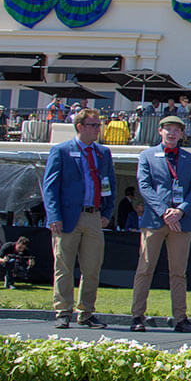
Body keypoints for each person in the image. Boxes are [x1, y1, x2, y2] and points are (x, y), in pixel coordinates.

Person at [41, 107, 116, 329]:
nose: (97, 130)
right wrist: (53, 216)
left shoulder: (103, 152)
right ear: (80, 126)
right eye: (93, 125)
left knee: (92, 267)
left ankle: (86, 312)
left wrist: (107, 213)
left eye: (98, 125)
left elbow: (110, 183)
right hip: (66, 217)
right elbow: (50, 187)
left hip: (93, 216)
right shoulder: (61, 151)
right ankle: (63, 311)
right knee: (63, 265)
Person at [131, 115, 191, 333]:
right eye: (168, 129)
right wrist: (164, 212)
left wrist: (180, 210)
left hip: (181, 222)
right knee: (145, 269)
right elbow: (144, 186)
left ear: (182, 134)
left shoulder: (190, 159)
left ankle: (180, 317)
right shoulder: (147, 156)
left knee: (178, 272)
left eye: (176, 130)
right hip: (154, 220)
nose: (172, 133)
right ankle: (137, 316)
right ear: (160, 131)